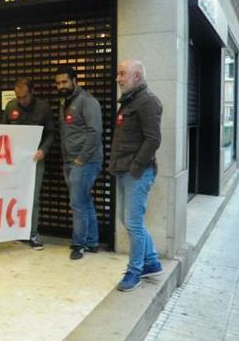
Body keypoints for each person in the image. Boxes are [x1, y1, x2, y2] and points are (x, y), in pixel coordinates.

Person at [109, 60, 163, 292]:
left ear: (137, 76)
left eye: (122, 74)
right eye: (119, 74)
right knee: (128, 219)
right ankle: (151, 261)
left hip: (137, 172)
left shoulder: (147, 102)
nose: (118, 78)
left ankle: (135, 270)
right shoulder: (130, 100)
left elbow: (153, 139)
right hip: (124, 170)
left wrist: (136, 168)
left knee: (133, 223)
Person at [54, 66, 103, 260]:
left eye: (64, 82)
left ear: (75, 80)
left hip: (85, 161)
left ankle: (79, 243)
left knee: (77, 203)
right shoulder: (65, 101)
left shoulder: (87, 101)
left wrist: (81, 159)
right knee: (84, 200)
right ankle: (92, 241)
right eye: (58, 83)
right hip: (70, 160)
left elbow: (95, 132)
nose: (61, 86)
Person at [2, 77, 55, 250]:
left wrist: (44, 150)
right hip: (15, 161)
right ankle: (18, 231)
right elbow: (3, 132)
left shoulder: (43, 107)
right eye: (18, 97)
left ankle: (32, 233)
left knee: (33, 197)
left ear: (32, 92)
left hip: (35, 159)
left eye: (24, 97)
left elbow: (51, 133)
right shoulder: (10, 107)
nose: (22, 101)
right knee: (15, 196)